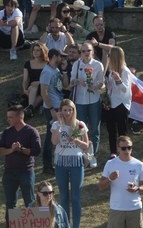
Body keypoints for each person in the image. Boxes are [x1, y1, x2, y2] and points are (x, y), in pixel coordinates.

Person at [0, 105, 42, 225]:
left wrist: (21, 149)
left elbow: (36, 151)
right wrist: (12, 150)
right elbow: (1, 150)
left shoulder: (31, 131)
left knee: (30, 202)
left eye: (11, 117)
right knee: (10, 203)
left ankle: (33, 226)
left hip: (26, 172)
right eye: (8, 117)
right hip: (9, 173)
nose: (8, 119)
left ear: (20, 116)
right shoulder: (7, 132)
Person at [50, 99, 88, 228]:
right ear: (61, 111)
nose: (67, 113)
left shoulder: (80, 124)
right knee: (64, 196)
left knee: (76, 197)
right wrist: (60, 125)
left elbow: (86, 145)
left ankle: (75, 225)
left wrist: (77, 141)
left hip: (76, 162)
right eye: (64, 110)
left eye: (69, 110)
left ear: (73, 110)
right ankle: (65, 225)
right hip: (61, 163)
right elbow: (54, 142)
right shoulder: (56, 124)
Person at [98, 136, 143, 228]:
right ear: (118, 149)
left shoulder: (139, 164)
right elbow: (101, 186)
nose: (127, 151)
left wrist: (137, 188)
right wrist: (109, 178)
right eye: (123, 148)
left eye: (129, 147)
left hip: (135, 208)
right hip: (116, 208)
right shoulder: (110, 164)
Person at [70, 41, 104, 168]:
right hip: (80, 100)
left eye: (88, 50)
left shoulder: (97, 65)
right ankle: (81, 154)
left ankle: (92, 155)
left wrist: (95, 86)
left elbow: (101, 82)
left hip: (94, 99)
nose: (86, 53)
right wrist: (78, 81)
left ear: (92, 51)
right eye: (83, 51)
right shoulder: (76, 64)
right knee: (80, 129)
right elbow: (71, 81)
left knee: (95, 128)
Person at [39, 48, 64, 174]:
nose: (62, 58)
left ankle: (55, 163)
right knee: (50, 137)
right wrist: (52, 110)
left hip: (58, 107)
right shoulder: (47, 72)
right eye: (60, 56)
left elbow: (61, 86)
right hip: (51, 109)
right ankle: (47, 166)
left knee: (58, 136)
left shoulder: (56, 69)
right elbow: (43, 92)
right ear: (54, 56)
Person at [104, 47, 132, 158]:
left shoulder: (125, 71)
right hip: (111, 103)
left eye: (110, 55)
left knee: (122, 131)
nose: (108, 57)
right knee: (111, 130)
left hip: (121, 104)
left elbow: (125, 89)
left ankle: (124, 151)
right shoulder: (110, 70)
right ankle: (113, 152)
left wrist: (118, 80)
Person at [22, 42, 47, 119]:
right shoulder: (28, 63)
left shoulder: (47, 64)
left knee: (39, 89)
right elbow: (25, 80)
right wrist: (24, 89)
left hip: (44, 86)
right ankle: (30, 109)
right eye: (34, 50)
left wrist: (39, 82)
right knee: (33, 87)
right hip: (32, 87)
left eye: (38, 50)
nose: (35, 52)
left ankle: (29, 110)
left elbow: (49, 78)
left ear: (42, 51)